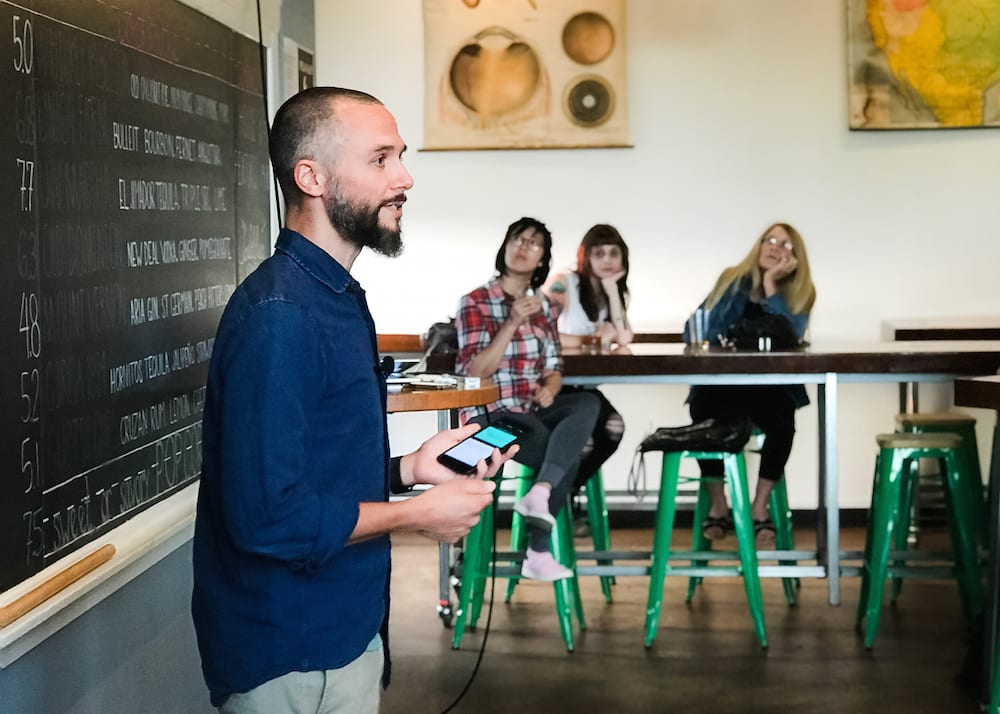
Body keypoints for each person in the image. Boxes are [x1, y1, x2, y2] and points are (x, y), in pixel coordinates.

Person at [191, 87, 514, 714]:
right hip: (290, 651)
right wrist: (419, 516)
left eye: (401, 156)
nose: (405, 177)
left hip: (346, 627)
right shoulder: (279, 316)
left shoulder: (338, 297)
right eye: (380, 160)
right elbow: (268, 519)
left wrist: (409, 470)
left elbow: (311, 473)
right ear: (310, 176)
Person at [455, 217, 600, 581]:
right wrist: (510, 324)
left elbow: (553, 365)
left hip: (531, 413)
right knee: (566, 448)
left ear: (542, 261)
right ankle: (538, 548)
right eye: (518, 240)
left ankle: (541, 491)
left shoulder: (545, 308)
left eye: (534, 244)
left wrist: (551, 385)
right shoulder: (476, 302)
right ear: (505, 248)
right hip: (493, 420)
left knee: (587, 404)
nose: (523, 247)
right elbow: (474, 373)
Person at [683, 222, 816, 547]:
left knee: (783, 421)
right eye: (769, 240)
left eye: (786, 245)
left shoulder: (801, 292)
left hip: (770, 389)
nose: (775, 248)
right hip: (721, 386)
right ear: (758, 246)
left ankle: (760, 505)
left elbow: (790, 336)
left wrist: (771, 286)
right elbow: (696, 330)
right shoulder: (732, 280)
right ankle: (718, 503)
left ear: (795, 258)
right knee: (704, 416)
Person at [543, 224, 632, 531]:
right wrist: (591, 340)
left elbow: (624, 336)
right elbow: (540, 329)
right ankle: (556, 499)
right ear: (586, 256)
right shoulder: (564, 283)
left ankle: (561, 496)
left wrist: (611, 291)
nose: (607, 259)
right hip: (554, 386)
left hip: (584, 388)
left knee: (613, 427)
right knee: (595, 436)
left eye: (613, 253)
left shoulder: (610, 292)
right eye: (599, 253)